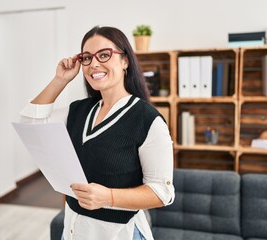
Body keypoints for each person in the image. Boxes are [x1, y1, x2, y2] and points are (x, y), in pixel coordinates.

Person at [20, 26, 175, 240]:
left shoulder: (148, 120)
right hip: (73, 231)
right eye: (86, 58)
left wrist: (108, 197)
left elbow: (162, 192)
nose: (94, 64)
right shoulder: (78, 111)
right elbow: (30, 123)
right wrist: (61, 80)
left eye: (104, 55)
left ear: (125, 61)